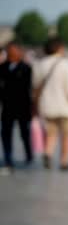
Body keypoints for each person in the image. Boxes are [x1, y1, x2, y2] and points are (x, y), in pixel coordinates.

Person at [33, 37, 68, 170]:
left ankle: (48, 153)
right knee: (66, 135)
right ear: (60, 48)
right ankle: (64, 161)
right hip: (64, 106)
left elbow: (35, 86)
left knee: (51, 133)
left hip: (46, 105)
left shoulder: (39, 64)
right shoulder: (65, 64)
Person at [0, 41, 33, 175]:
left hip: (22, 106)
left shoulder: (26, 68)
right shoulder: (2, 68)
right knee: (6, 133)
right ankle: (8, 157)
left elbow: (29, 89)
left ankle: (28, 154)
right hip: (7, 106)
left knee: (24, 133)